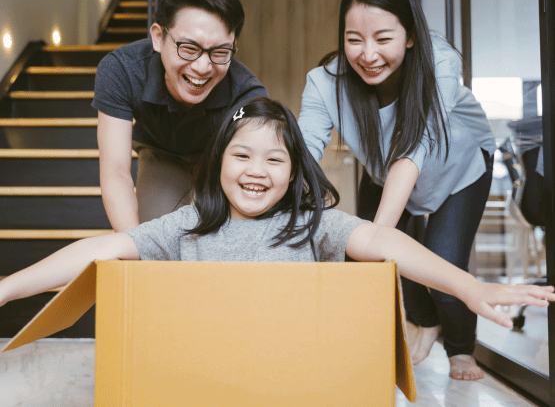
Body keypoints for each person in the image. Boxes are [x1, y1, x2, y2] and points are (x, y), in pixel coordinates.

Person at [1, 98, 553, 354]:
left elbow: (384, 240)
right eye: (242, 156)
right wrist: (7, 288)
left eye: (275, 160)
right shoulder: (186, 225)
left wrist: (468, 285)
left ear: (293, 174)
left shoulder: (313, 226)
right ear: (219, 162)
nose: (257, 172)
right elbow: (97, 251)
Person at [297, 0, 497, 380]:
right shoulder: (323, 83)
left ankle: (461, 349)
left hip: (458, 167)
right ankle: (424, 319)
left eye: (383, 39)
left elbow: (413, 150)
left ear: (409, 35)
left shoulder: (440, 61)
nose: (367, 54)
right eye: (354, 39)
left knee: (440, 263)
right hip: (384, 171)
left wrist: (376, 240)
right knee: (375, 257)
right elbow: (299, 157)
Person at [92, 0, 267, 233]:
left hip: (218, 162)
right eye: (189, 48)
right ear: (158, 37)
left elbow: (250, 174)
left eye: (220, 51)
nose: (203, 67)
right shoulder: (122, 70)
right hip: (161, 153)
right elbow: (116, 171)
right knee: (152, 236)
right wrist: (134, 249)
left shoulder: (247, 94)